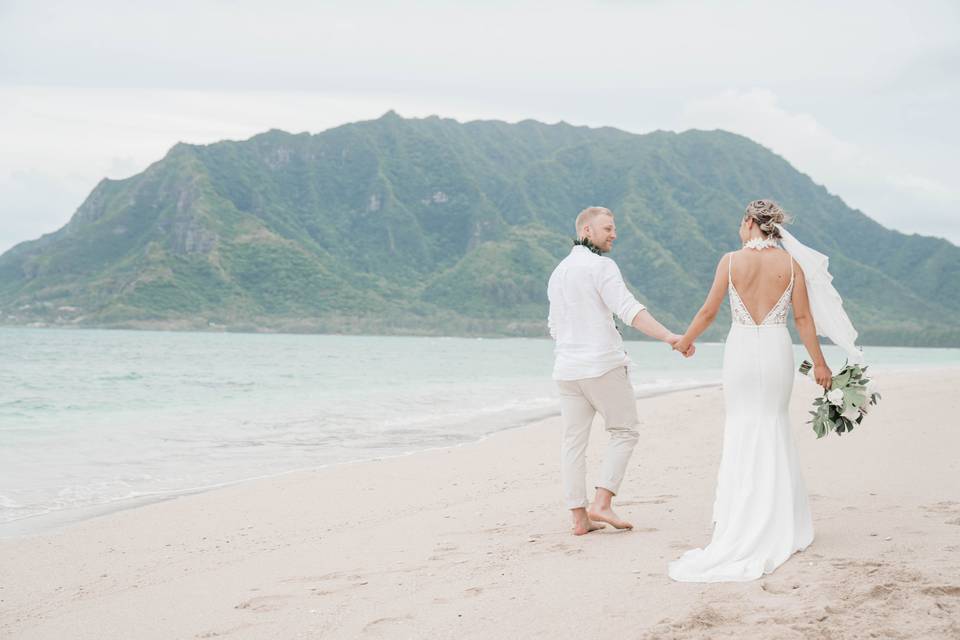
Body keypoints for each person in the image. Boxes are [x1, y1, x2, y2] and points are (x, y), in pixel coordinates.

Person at [668, 199, 838, 582]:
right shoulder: (791, 265)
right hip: (777, 350)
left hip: (742, 352)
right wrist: (821, 364)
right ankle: (779, 520)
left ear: (749, 222)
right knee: (773, 425)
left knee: (743, 426)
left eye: (741, 223)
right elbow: (803, 319)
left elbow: (709, 312)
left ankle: (739, 519)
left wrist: (685, 341)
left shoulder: (730, 262)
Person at [547, 206, 691, 536]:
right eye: (608, 228)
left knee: (573, 443)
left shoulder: (559, 272)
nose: (614, 234)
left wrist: (576, 343)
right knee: (624, 431)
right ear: (587, 232)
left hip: (566, 369)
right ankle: (602, 503)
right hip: (602, 365)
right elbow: (629, 310)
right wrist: (670, 336)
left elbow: (554, 326)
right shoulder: (601, 266)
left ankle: (579, 518)